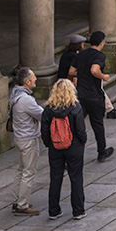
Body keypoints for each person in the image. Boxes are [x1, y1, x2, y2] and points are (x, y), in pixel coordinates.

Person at [40, 78, 88, 220]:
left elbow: (44, 130)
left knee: (55, 178)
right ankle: (78, 210)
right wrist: (83, 141)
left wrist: (49, 143)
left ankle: (53, 210)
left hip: (55, 146)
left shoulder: (48, 109)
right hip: (74, 146)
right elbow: (80, 130)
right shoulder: (75, 107)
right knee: (76, 177)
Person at [8, 67, 43, 216]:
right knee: (28, 172)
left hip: (19, 138)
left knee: (20, 170)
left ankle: (17, 201)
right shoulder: (26, 99)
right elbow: (41, 114)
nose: (36, 79)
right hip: (28, 139)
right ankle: (22, 205)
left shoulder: (15, 94)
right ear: (27, 82)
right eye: (34, 78)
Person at [75, 30, 114, 162]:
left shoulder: (81, 54)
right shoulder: (99, 56)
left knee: (77, 124)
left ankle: (73, 154)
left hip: (80, 94)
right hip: (94, 95)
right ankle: (101, 152)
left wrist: (81, 75)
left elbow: (71, 70)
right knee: (97, 124)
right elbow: (94, 69)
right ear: (101, 43)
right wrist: (104, 77)